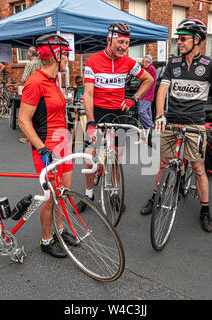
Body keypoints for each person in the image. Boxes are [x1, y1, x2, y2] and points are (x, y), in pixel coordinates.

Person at [140, 18, 212, 233]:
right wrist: (159, 115)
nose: (179, 42)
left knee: (198, 168)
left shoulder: (209, 66)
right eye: (178, 39)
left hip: (195, 124)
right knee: (164, 164)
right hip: (171, 122)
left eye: (183, 39)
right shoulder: (173, 64)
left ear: (197, 40)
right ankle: (155, 197)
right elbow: (162, 91)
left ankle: (205, 210)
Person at [76, 22, 154, 212]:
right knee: (89, 156)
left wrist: (134, 99)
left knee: (115, 159)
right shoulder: (93, 60)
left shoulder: (128, 62)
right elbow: (88, 94)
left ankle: (114, 193)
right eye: (120, 42)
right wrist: (92, 123)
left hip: (119, 114)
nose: (124, 47)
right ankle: (88, 193)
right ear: (108, 39)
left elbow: (149, 79)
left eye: (127, 43)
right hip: (98, 113)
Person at [18, 33, 76, 258]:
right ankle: (46, 239)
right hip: (47, 146)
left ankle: (60, 231)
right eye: (65, 54)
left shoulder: (54, 80)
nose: (67, 59)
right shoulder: (35, 81)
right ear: (55, 54)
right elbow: (23, 120)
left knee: (64, 193)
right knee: (50, 197)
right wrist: (41, 147)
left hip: (63, 142)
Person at [19, 46, 42, 144]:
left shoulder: (30, 64)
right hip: (43, 91)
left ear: (30, 54)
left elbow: (24, 79)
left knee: (28, 118)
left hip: (32, 92)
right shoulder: (42, 62)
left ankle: (30, 138)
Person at [138, 54, 157, 129]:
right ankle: (148, 128)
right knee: (148, 112)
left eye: (143, 61)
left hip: (145, 94)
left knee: (141, 111)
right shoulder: (150, 68)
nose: (142, 63)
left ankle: (150, 126)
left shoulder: (150, 69)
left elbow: (142, 78)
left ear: (146, 61)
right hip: (148, 94)